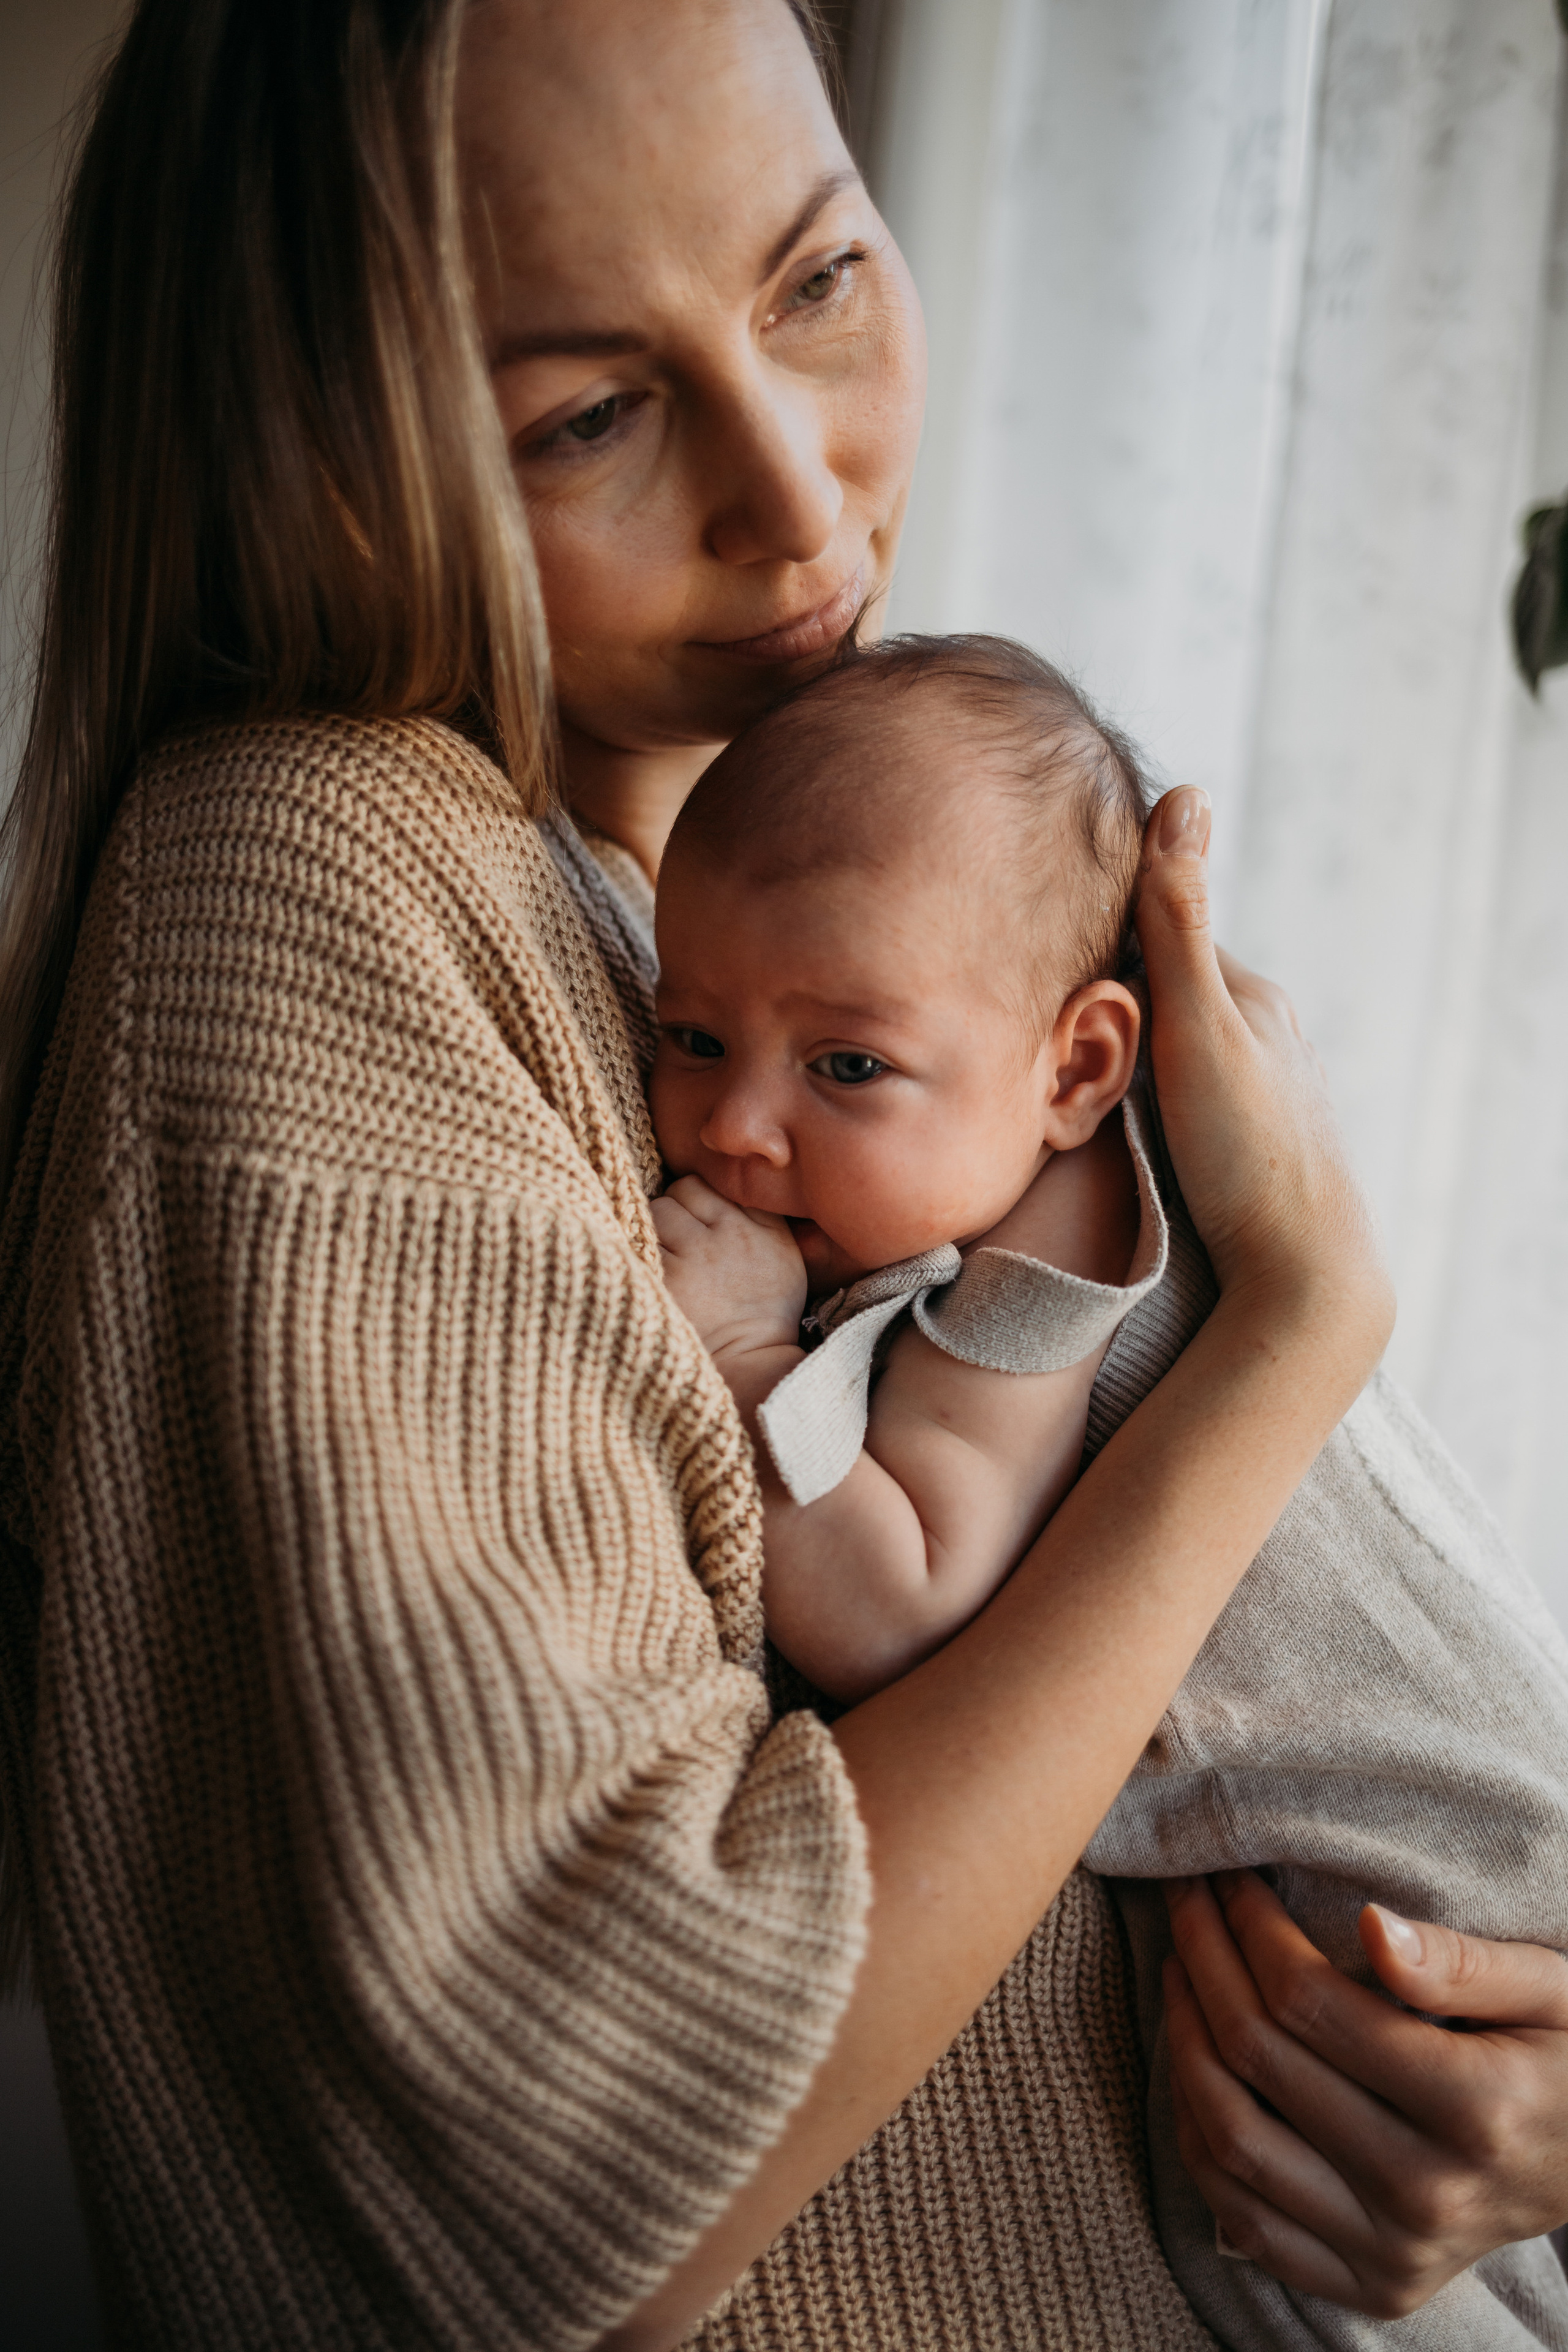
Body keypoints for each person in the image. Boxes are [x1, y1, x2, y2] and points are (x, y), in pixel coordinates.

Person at [0, 3, 1565, 2348]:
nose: (803, 499)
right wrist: (1297, 1335)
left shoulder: (736, 880)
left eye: (820, 279)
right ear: (331, 457)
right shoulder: (315, 888)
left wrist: (1489, 2079)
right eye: (591, 416)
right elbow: (574, 2170)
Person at [649, 632, 1568, 2349]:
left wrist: (749, 1361)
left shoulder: (1066, 1223)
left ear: (1080, 1071)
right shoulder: (967, 1137)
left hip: (1455, 1920)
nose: (735, 1131)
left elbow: (897, 1602)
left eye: (843, 1066)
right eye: (692, 1031)